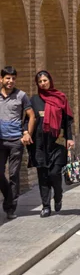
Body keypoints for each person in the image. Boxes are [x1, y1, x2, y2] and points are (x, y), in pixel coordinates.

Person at [26, 71, 75, 217]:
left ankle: (58, 195)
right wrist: (26, 133)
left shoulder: (60, 98)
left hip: (57, 142)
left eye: (45, 80)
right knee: (43, 175)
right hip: (39, 144)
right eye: (40, 81)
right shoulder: (34, 100)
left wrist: (70, 138)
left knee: (54, 173)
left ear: (50, 81)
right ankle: (46, 206)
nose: (43, 83)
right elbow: (28, 120)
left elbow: (67, 121)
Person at [0, 66, 35, 220]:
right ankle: (9, 197)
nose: (10, 81)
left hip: (15, 141)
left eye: (13, 78)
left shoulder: (21, 96)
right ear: (1, 79)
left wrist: (27, 133)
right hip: (0, 141)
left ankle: (10, 207)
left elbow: (31, 116)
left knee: (14, 174)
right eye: (7, 78)